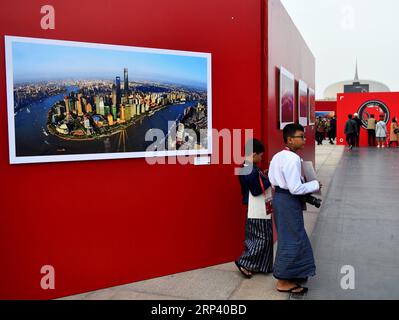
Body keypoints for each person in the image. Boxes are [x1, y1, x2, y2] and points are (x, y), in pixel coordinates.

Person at [268, 124, 321, 294]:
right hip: (288, 201)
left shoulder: (277, 156)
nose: (304, 139)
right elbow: (295, 188)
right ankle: (283, 281)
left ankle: (295, 273)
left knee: (293, 237)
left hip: (280, 200)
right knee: (292, 240)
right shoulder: (292, 159)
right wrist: (314, 184)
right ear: (290, 139)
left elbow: (272, 178)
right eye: (301, 137)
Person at [235, 139, 274, 278]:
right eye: (260, 155)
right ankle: (244, 262)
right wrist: (271, 178)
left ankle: (261, 265)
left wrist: (264, 176)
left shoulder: (246, 167)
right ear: (253, 154)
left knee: (257, 237)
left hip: (255, 208)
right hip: (257, 208)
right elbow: (257, 189)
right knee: (262, 238)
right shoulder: (249, 169)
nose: (261, 158)